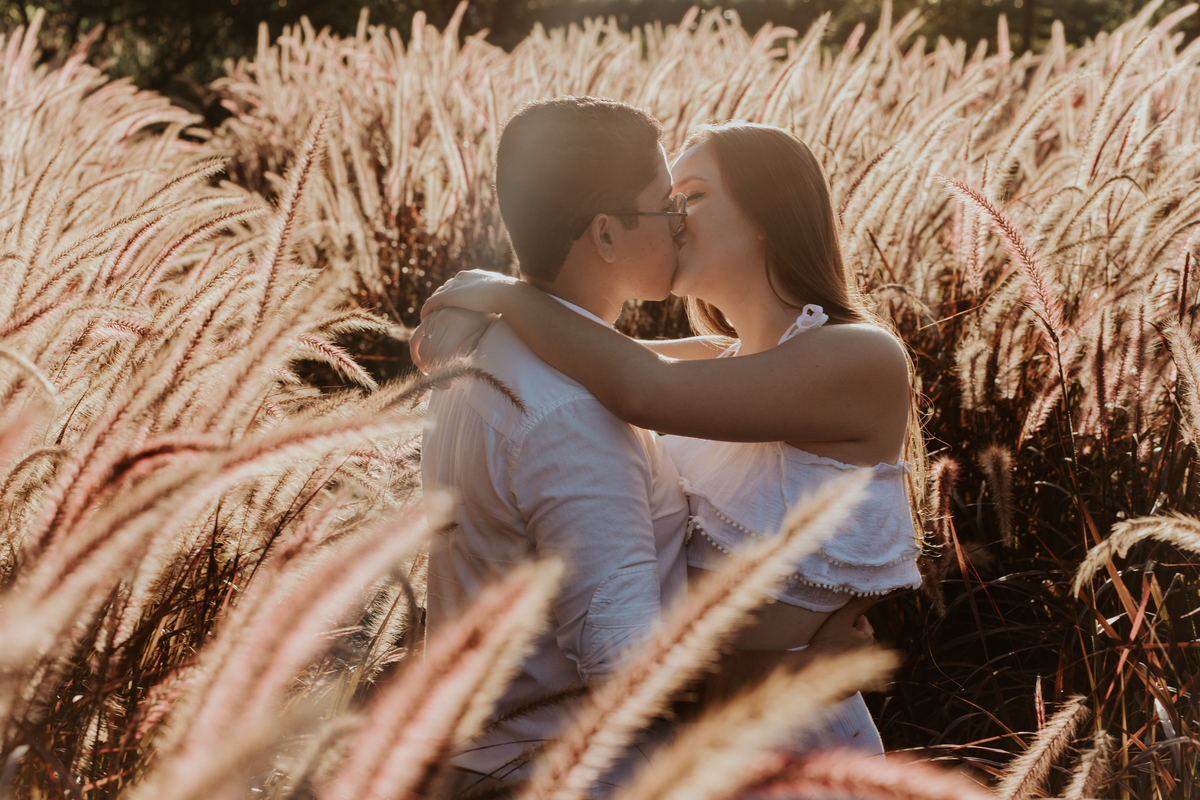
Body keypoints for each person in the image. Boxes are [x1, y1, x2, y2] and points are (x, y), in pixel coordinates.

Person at [416, 120, 925, 758]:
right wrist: (484, 324)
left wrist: (502, 294)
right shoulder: (723, 358)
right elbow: (592, 352)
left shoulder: (862, 357)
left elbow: (641, 388)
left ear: (768, 215)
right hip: (697, 738)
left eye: (693, 196)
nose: (674, 218)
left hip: (793, 745)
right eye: (668, 200)